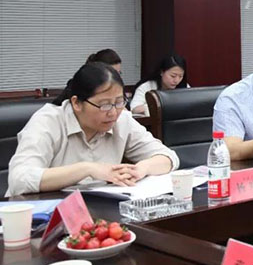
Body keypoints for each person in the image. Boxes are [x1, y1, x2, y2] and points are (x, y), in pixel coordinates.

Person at [6, 62, 178, 196]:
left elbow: (169, 157)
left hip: (98, 213)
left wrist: (142, 168)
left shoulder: (122, 119)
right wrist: (88, 169)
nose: (113, 112)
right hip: (41, 217)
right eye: (104, 105)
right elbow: (19, 180)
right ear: (76, 103)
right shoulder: (48, 121)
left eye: (119, 102)